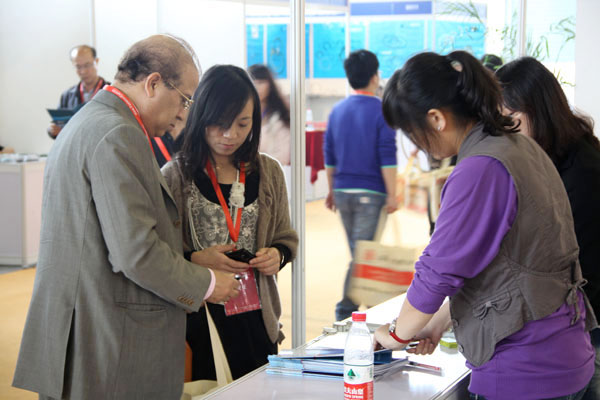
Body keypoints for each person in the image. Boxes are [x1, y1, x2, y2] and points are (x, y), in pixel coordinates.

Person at [13, 35, 240, 400]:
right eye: (184, 99)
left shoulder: (89, 121)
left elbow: (102, 239)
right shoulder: (119, 133)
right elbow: (136, 253)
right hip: (110, 344)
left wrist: (190, 259)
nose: (184, 114)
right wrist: (208, 283)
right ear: (153, 84)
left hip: (84, 332)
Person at [374, 50, 596, 399]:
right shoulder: (518, 146)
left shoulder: (481, 168)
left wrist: (395, 334)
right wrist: (437, 322)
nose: (417, 145)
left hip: (524, 369)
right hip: (566, 356)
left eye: (413, 133)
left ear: (436, 118)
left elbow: (438, 271)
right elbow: (504, 265)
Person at [162, 65, 298, 380]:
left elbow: (286, 237)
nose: (231, 135)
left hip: (257, 318)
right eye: (220, 124)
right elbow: (157, 255)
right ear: (201, 117)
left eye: (242, 124)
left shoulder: (268, 172)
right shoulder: (175, 176)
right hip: (199, 320)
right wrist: (195, 259)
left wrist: (277, 255)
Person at [496, 57, 600, 400]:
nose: (505, 133)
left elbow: (564, 263)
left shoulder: (581, 171)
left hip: (584, 330)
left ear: (538, 110)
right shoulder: (550, 158)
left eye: (511, 119)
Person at [323, 49, 398, 321]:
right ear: (375, 76)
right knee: (362, 255)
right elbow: (387, 157)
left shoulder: (337, 111)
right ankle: (346, 310)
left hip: (343, 192)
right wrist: (393, 194)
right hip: (371, 193)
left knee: (360, 252)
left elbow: (329, 156)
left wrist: (331, 190)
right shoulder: (381, 111)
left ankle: (363, 310)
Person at [47, 45, 110, 139]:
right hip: (75, 145)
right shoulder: (67, 95)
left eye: (87, 65)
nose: (83, 71)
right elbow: (58, 124)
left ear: (96, 61)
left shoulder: (111, 92)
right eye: (78, 67)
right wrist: (52, 130)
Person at [247, 64, 291, 165]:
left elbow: (282, 157)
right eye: (253, 83)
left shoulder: (280, 116)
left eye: (260, 82)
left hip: (269, 170)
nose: (256, 87)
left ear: (270, 85)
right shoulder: (240, 113)